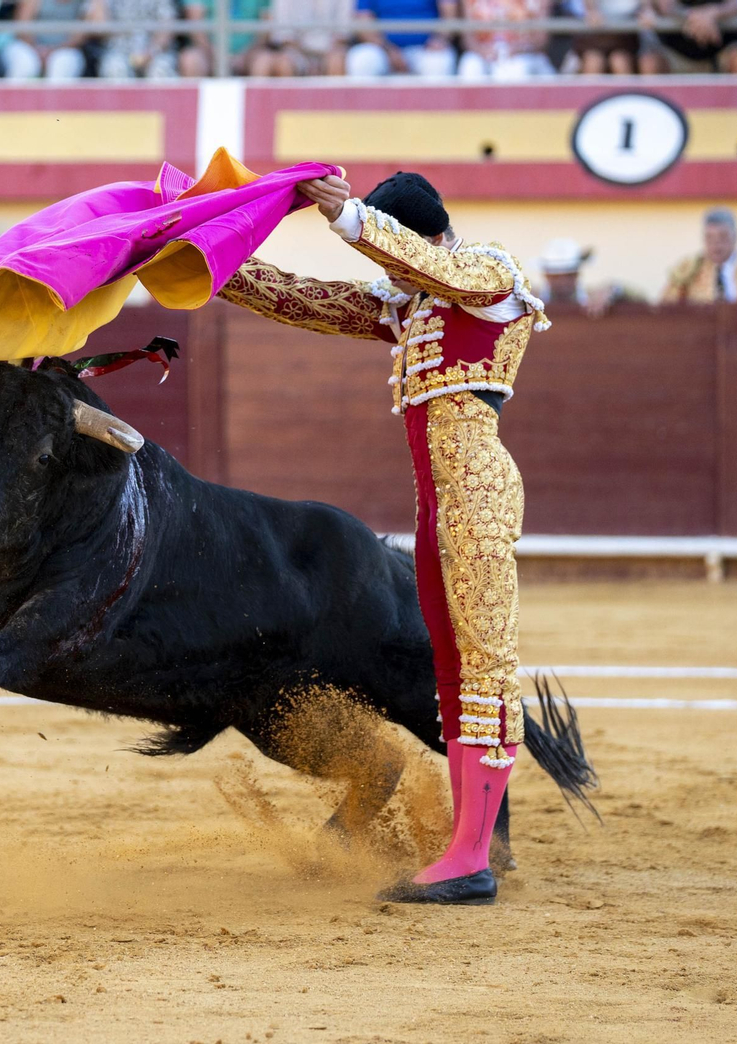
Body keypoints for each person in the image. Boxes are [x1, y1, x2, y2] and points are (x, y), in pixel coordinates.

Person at [217, 172, 550, 905]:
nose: (383, 276)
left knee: (486, 662)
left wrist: (353, 218)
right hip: (438, 500)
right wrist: (206, 259)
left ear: (420, 236)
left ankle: (471, 858)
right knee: (454, 669)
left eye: (390, 254)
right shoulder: (411, 302)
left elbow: (444, 269)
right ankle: (466, 850)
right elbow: (303, 297)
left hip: (478, 492)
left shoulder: (488, 272)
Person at [661, 207, 737, 304]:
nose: (716, 244)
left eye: (723, 236)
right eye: (710, 238)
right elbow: (667, 312)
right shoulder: (690, 269)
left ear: (736, 237)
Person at [346, 0, 459, 76]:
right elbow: (363, 19)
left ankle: (433, 112)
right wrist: (388, 49)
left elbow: (449, 15)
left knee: (439, 62)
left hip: (426, 48)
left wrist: (439, 39)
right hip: (383, 48)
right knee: (362, 59)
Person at [641, 0, 737, 73]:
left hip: (719, 51)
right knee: (650, 60)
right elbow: (666, 6)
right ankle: (655, 109)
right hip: (675, 53)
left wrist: (712, 13)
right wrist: (696, 17)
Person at [458, 0, 557, 79]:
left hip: (525, 54)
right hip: (485, 52)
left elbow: (541, 40)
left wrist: (519, 49)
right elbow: (467, 38)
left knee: (515, 68)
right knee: (470, 64)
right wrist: (483, 51)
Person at [534, 238, 630, 317]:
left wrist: (610, 290)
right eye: (555, 276)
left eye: (569, 275)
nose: (562, 282)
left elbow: (636, 295)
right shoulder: (532, 298)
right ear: (546, 275)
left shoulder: (593, 296)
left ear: (577, 274)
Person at [88, 0, 179, 78]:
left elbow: (167, 25)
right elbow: (100, 28)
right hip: (117, 51)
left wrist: (153, 51)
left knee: (161, 69)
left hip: (155, 51)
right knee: (114, 67)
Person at [3, 0, 91, 80]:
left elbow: (81, 35)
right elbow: (22, 28)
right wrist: (38, 50)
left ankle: (55, 98)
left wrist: (53, 51)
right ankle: (17, 98)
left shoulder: (83, 2)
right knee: (25, 64)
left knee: (62, 64)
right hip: (28, 46)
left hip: (66, 49)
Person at [179, 0, 271, 75]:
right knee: (190, 60)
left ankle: (255, 98)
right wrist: (218, 55)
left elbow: (265, 28)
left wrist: (245, 56)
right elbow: (196, 27)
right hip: (208, 52)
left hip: (250, 54)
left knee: (265, 61)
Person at [260, 0, 352, 74]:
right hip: (296, 51)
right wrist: (307, 61)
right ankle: (291, 97)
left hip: (331, 51)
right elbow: (285, 36)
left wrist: (321, 60)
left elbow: (342, 34)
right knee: (284, 64)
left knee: (336, 61)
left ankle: (333, 97)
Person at [566, 0, 644, 73]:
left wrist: (645, 12)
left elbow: (644, 11)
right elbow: (590, 11)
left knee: (620, 61)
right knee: (593, 61)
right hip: (595, 39)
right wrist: (591, 11)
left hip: (624, 40)